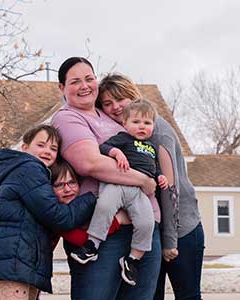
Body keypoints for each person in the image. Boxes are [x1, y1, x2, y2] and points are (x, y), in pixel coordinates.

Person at [52, 57, 161, 300]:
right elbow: (91, 163)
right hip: (105, 234)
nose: (85, 86)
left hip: (143, 229)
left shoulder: (112, 116)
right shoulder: (68, 117)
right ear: (62, 88)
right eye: (75, 81)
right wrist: (143, 181)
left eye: (89, 79)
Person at [97, 73, 205, 300]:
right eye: (107, 104)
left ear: (133, 96)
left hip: (180, 229)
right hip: (150, 231)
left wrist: (170, 241)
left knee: (187, 296)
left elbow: (169, 189)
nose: (115, 107)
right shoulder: (126, 135)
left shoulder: (156, 130)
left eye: (120, 99)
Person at [0, 124, 96, 300]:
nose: (47, 151)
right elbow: (58, 217)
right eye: (41, 145)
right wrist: (92, 198)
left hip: (22, 257)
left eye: (53, 148)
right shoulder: (28, 169)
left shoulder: (30, 172)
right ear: (25, 148)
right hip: (15, 256)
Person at [70, 99, 169, 287]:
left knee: (147, 222)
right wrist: (117, 153)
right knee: (105, 206)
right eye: (136, 122)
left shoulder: (151, 148)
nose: (142, 127)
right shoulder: (123, 138)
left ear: (153, 126)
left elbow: (154, 168)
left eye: (147, 123)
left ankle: (132, 259)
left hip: (139, 193)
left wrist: (160, 177)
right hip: (117, 184)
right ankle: (92, 245)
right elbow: (103, 148)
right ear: (125, 123)